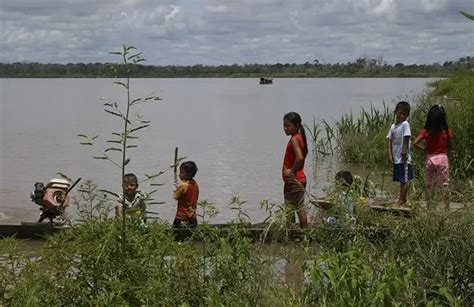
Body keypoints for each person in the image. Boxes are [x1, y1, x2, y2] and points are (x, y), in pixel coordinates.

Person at [412, 104, 453, 208]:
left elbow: (414, 143)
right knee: (444, 185)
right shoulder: (446, 132)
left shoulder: (426, 131)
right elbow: (449, 145)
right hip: (442, 158)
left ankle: (430, 207)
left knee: (429, 185)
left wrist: (424, 149)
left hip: (430, 159)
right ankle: (447, 208)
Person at [282, 112, 309, 228]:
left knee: (289, 209)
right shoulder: (299, 138)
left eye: (288, 126)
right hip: (299, 179)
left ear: (297, 126)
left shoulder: (294, 139)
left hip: (294, 180)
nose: (285, 128)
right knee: (299, 207)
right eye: (284, 125)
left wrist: (291, 172)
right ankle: (304, 234)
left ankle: (290, 235)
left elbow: (299, 158)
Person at [387, 101, 413, 207]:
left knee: (404, 180)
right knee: (401, 180)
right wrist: (389, 155)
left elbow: (406, 137)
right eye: (400, 113)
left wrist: (404, 151)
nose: (402, 116)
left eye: (404, 114)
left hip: (404, 158)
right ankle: (402, 199)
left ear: (407, 115)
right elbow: (389, 140)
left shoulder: (405, 124)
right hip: (397, 158)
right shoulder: (393, 126)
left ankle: (401, 200)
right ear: (395, 112)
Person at [173, 161, 199, 228]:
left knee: (176, 236)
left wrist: (176, 188)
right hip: (193, 218)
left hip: (182, 217)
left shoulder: (183, 185)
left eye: (182, 172)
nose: (179, 174)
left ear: (189, 174)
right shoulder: (195, 184)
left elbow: (175, 196)